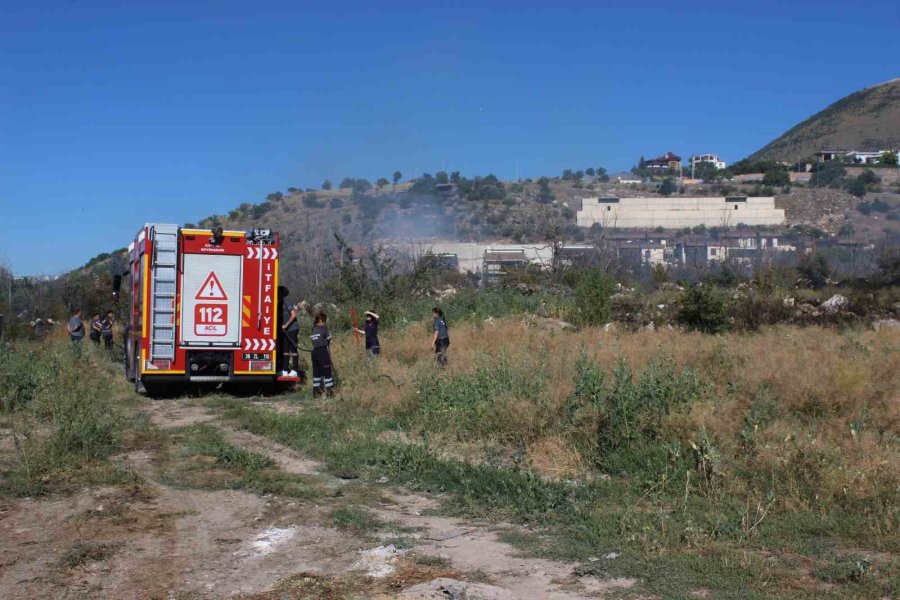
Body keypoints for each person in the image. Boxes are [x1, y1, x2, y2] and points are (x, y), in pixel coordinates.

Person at [310, 312, 334, 396]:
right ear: (321, 320)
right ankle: (329, 391)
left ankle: (316, 391)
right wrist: (330, 338)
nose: (325, 322)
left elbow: (314, 341)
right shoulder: (324, 329)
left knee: (316, 371)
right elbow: (329, 341)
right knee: (327, 370)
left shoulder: (313, 329)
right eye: (325, 320)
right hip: (322, 351)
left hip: (314, 352)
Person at [280, 287, 300, 377]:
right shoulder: (280, 303)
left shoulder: (287, 301)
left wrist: (285, 325)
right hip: (286, 330)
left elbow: (293, 314)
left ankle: (295, 370)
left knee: (293, 349)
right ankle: (285, 370)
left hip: (292, 329)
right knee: (285, 350)